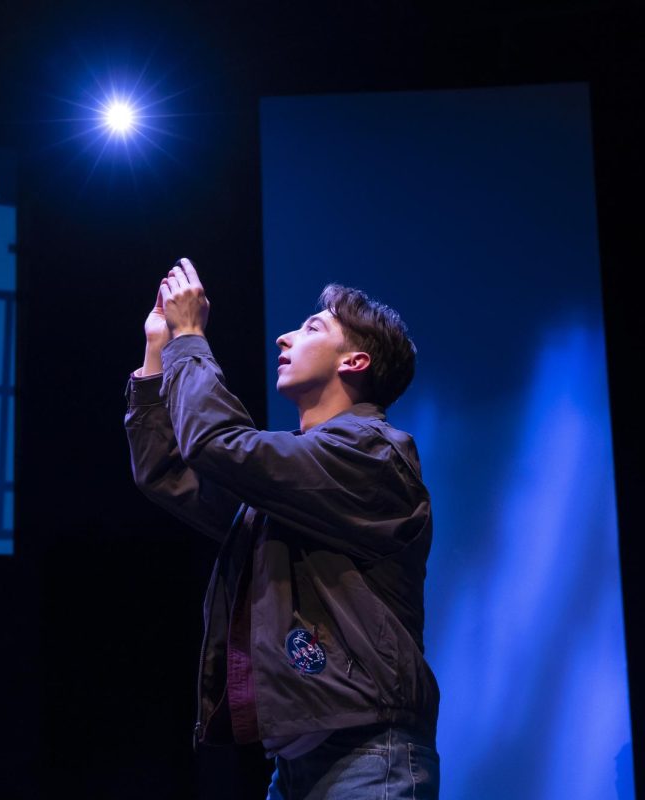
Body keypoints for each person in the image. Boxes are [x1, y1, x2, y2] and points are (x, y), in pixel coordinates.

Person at [124, 258, 440, 798]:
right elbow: (172, 473)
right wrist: (159, 355)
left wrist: (192, 339)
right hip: (296, 768)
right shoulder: (295, 478)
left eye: (313, 327)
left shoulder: (372, 454)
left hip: (367, 757)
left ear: (355, 361)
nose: (284, 336)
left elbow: (216, 446)